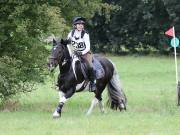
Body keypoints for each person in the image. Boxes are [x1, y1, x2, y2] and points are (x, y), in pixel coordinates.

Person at [65, 16, 96, 92]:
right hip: (74, 53)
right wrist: (71, 52)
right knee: (65, 64)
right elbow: (68, 45)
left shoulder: (85, 34)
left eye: (82, 24)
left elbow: (88, 47)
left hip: (85, 53)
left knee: (90, 66)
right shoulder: (70, 34)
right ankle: (63, 80)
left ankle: (93, 83)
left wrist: (81, 53)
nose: (81, 26)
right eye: (79, 24)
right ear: (75, 25)